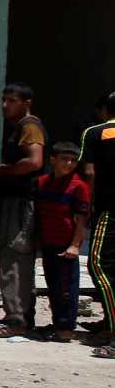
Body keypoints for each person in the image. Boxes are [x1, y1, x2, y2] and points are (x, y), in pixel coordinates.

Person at [0, 83, 46, 338]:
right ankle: (21, 315)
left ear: (26, 102)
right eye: (4, 99)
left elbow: (34, 161)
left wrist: (2, 170)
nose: (5, 105)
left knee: (14, 256)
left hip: (20, 201)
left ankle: (15, 319)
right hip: (13, 199)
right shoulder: (19, 126)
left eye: (12, 100)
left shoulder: (29, 126)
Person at [36, 142, 89, 344]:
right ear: (52, 160)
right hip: (49, 243)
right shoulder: (42, 183)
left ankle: (66, 329)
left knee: (67, 289)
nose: (68, 164)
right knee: (54, 286)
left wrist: (75, 245)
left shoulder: (78, 187)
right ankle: (58, 324)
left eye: (73, 160)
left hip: (66, 246)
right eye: (64, 159)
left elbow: (81, 220)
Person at [79, 91, 115, 355]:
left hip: (109, 209)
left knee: (99, 263)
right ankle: (108, 322)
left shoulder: (96, 133)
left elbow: (89, 172)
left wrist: (87, 206)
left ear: (105, 110)